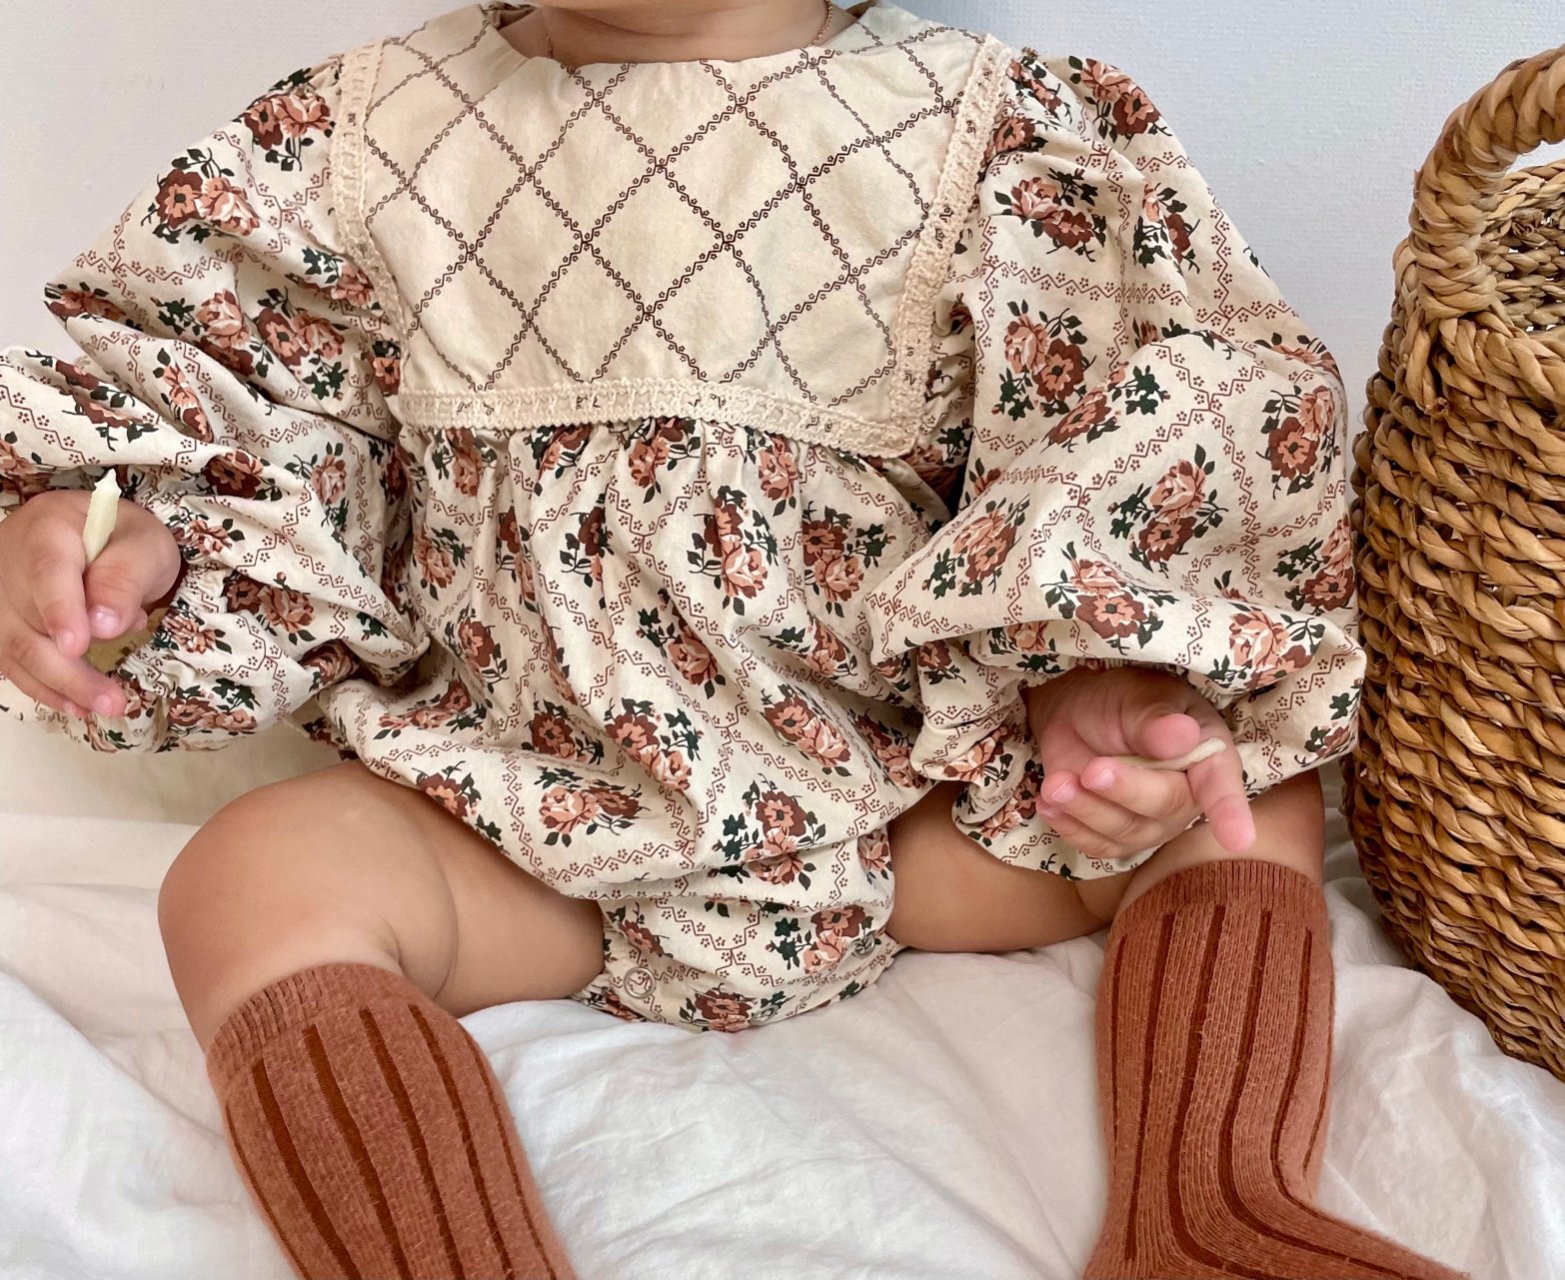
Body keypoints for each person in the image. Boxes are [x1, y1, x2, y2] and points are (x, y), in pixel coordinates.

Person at [0, 2, 1467, 1277]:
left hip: (899, 810)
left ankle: (1214, 1207)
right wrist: (118, 529)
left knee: (1236, 785)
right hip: (518, 821)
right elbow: (240, 420)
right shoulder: (353, 140)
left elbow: (1118, 440)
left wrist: (1101, 682)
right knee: (248, 877)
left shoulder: (996, 132)